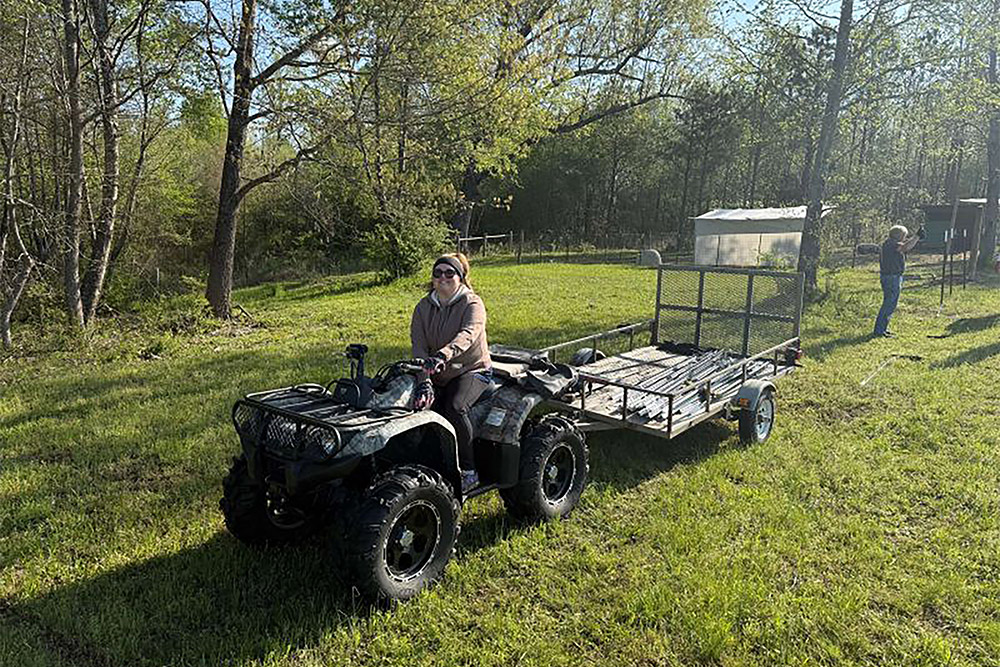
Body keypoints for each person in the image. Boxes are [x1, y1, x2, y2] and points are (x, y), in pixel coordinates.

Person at [410, 253, 492, 492]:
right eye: (437, 273)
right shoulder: (423, 307)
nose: (443, 278)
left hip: (472, 369)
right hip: (435, 371)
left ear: (460, 277)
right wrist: (423, 380)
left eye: (449, 273)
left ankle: (468, 471)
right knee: (411, 405)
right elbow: (418, 346)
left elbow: (468, 334)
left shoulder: (472, 303)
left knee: (454, 407)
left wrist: (443, 355)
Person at [873, 224, 921, 338]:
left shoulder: (890, 243)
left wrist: (915, 238)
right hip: (891, 277)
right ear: (899, 235)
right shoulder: (891, 244)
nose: (905, 238)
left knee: (890, 304)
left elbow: (905, 245)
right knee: (889, 304)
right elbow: (905, 247)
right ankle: (879, 331)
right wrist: (916, 237)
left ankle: (882, 328)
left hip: (891, 277)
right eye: (904, 236)